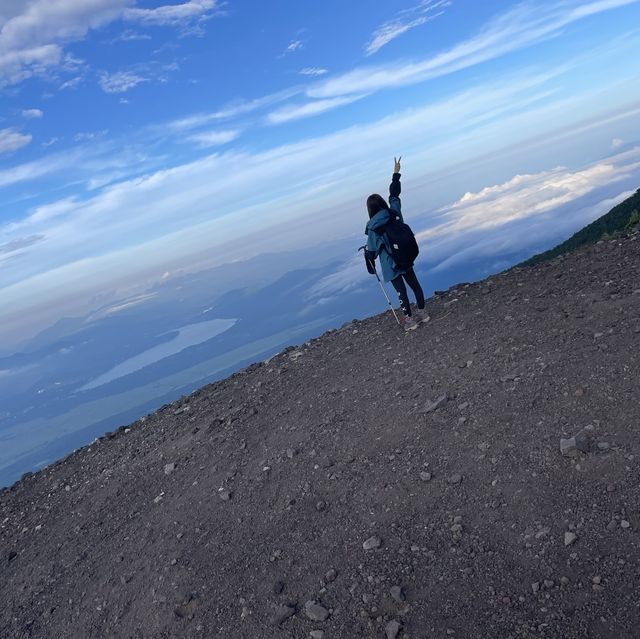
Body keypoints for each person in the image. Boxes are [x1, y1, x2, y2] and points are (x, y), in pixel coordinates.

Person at [364, 157, 429, 331]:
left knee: (401, 292)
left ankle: (410, 321)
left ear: (370, 210)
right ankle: (423, 313)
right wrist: (396, 173)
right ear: (382, 204)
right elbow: (394, 195)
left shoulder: (373, 227)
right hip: (405, 256)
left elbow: (371, 252)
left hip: (390, 265)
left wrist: (370, 264)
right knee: (414, 285)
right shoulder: (394, 212)